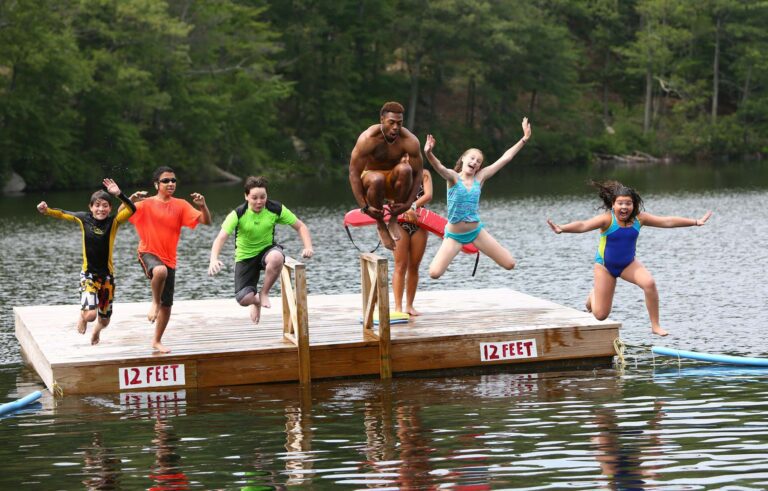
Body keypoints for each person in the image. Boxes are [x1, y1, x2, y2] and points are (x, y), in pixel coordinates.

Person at [547, 180, 712, 336]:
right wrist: (562, 228)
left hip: (628, 264)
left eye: (628, 203)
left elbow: (667, 221)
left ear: (634, 205)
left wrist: (695, 222)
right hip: (605, 267)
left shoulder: (640, 219)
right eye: (620, 203)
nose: (624, 207)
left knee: (649, 283)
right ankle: (593, 295)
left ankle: (655, 326)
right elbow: (583, 225)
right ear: (613, 204)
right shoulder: (607, 219)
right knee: (601, 315)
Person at [424, 117, 532, 279]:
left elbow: (505, 158)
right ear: (463, 159)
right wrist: (428, 153)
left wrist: (524, 139)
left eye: (478, 161)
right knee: (434, 273)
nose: (475, 162)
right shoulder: (453, 178)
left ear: (480, 167)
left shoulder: (480, 178)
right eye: (472, 158)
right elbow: (438, 167)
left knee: (510, 264)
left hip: (476, 232)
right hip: (454, 236)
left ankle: (471, 246)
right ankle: (457, 248)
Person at [36, 178, 135, 345]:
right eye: (97, 205)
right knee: (90, 315)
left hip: (107, 278)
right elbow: (62, 213)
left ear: (110, 208)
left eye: (105, 206)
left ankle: (96, 332)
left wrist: (119, 194)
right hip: (88, 275)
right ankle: (83, 315)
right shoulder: (84, 219)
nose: (101, 209)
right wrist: (47, 211)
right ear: (91, 207)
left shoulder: (114, 222)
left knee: (104, 321)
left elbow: (132, 209)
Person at [208, 176, 313, 324]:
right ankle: (256, 301)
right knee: (243, 299)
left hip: (267, 251)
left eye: (263, 197)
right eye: (254, 198)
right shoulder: (238, 214)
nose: (259, 201)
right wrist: (214, 258)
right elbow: (220, 238)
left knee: (277, 257)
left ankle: (264, 293)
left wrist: (308, 247)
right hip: (245, 257)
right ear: (246, 196)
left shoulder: (275, 208)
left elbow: (300, 226)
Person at [129, 166, 211, 353]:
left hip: (170, 258)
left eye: (173, 180)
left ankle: (156, 341)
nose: (171, 183)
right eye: (166, 180)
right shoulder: (146, 204)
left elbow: (206, 221)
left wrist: (202, 205)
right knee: (160, 271)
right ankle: (154, 302)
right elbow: (121, 214)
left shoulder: (181, 205)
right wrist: (130, 200)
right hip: (147, 252)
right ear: (157, 184)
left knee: (167, 305)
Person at [349, 101, 424, 251]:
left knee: (406, 169)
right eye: (391, 123)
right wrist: (364, 206)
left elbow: (418, 174)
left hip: (393, 180)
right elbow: (354, 173)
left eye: (399, 123)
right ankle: (381, 224)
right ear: (382, 120)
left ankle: (394, 219)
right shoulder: (368, 139)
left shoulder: (410, 141)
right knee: (377, 178)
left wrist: (408, 203)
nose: (396, 127)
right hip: (370, 180)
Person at [393, 164, 433, 316]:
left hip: (420, 223)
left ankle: (409, 306)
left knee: (414, 266)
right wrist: (406, 208)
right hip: (400, 223)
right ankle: (398, 307)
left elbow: (428, 195)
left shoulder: (424, 174)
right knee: (400, 265)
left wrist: (413, 206)